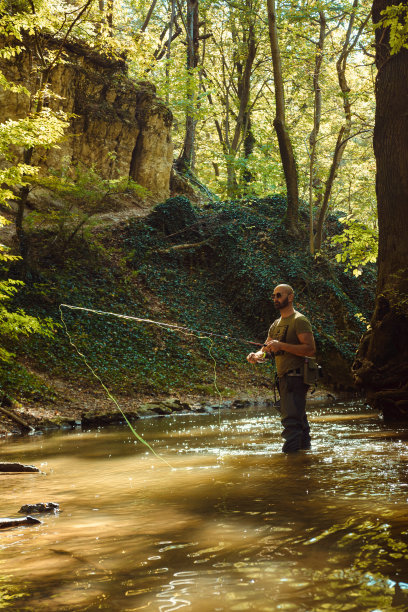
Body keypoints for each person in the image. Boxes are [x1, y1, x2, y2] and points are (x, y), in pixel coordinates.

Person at [247, 283, 316, 453]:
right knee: (299, 421)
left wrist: (281, 346)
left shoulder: (299, 320)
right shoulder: (275, 324)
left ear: (290, 297)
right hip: (283, 378)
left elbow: (310, 349)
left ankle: (289, 467)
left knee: (291, 423)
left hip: (297, 378)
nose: (275, 299)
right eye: (274, 296)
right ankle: (304, 458)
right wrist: (256, 356)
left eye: (279, 295)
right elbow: (266, 350)